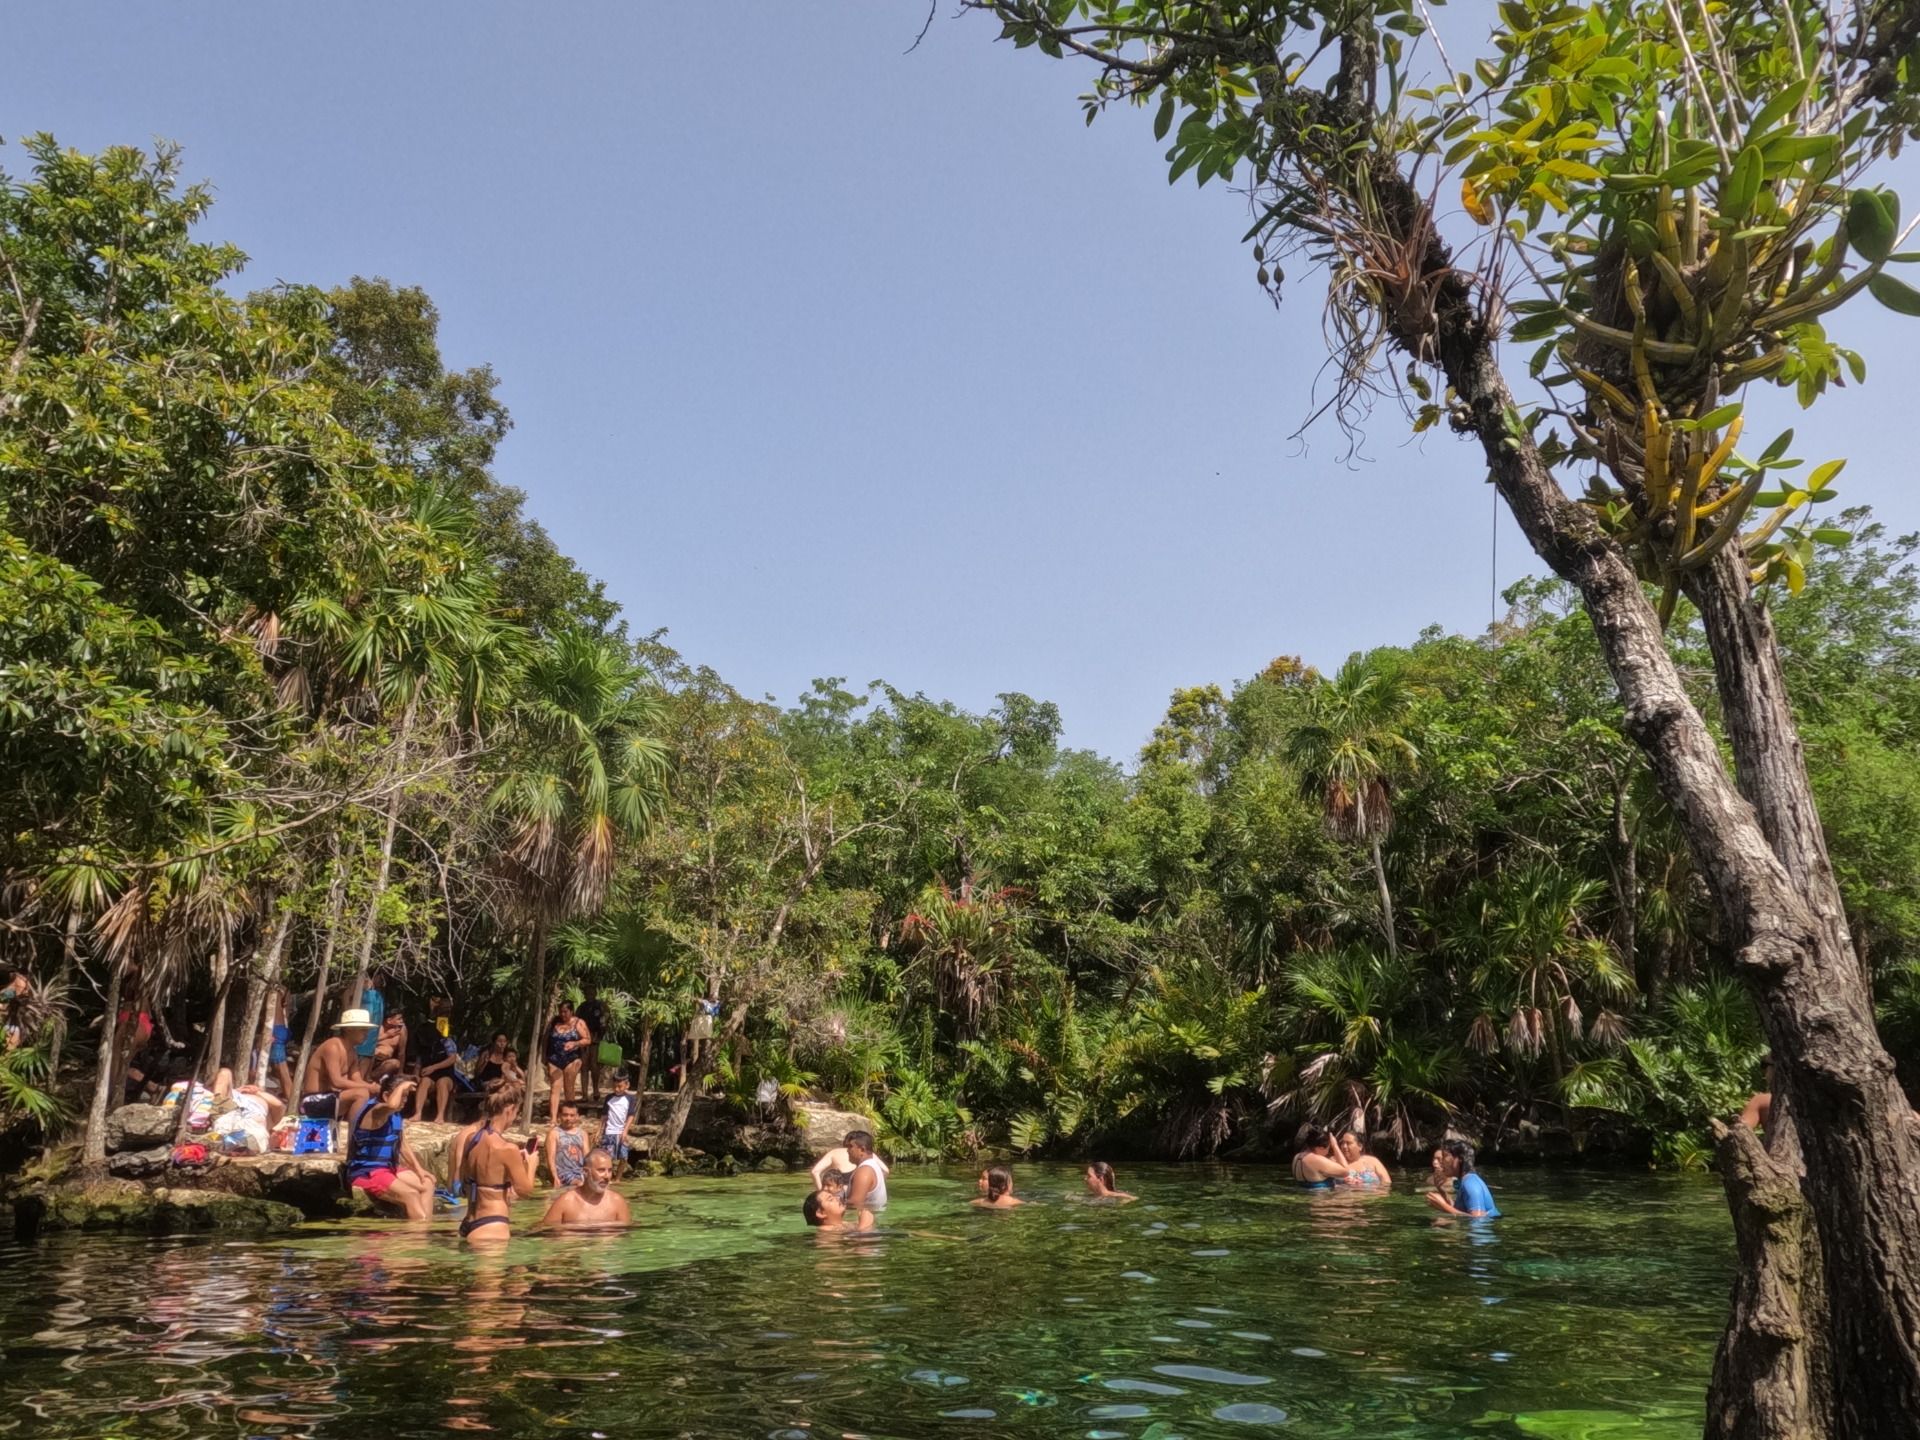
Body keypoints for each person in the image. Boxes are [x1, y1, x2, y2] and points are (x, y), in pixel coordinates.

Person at [452, 1081, 536, 1242]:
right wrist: (531, 1163)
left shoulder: (471, 1138)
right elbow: (526, 1192)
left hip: (469, 1220)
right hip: (492, 1225)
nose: (515, 1117)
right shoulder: (507, 1149)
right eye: (517, 1112)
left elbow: (466, 1179)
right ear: (510, 1110)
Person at [345, 1073, 434, 1220]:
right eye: (402, 1096)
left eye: (406, 1097)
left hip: (388, 1169)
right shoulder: (375, 1111)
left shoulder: (395, 1115)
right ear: (386, 1096)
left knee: (427, 1183)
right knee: (410, 1195)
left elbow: (402, 1144)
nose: (404, 1101)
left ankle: (424, 1225)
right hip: (367, 1171)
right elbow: (392, 1105)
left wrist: (419, 1170)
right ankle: (419, 1237)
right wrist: (403, 1085)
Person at [299, 1009, 378, 1120]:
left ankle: (358, 1127)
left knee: (368, 1093)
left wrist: (374, 1088)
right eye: (362, 1030)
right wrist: (368, 1087)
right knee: (361, 1093)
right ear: (349, 1029)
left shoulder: (353, 1052)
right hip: (313, 1100)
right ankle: (352, 1132)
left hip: (331, 1097)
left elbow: (357, 1080)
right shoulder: (333, 1047)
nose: (366, 1034)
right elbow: (336, 1081)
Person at [538, 1148, 631, 1229]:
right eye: (601, 1170)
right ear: (586, 1172)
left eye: (610, 1170)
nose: (607, 1176)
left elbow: (626, 1241)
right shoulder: (566, 1202)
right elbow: (545, 1234)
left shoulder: (617, 1202)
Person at [206, 1066, 285, 1153]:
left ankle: (227, 1141)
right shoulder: (234, 1093)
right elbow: (223, 1076)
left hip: (252, 1126)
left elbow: (279, 1105)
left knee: (249, 1141)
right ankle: (225, 1140)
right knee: (225, 1072)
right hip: (227, 1113)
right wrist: (236, 1090)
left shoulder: (266, 1109)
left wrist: (257, 1092)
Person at [1425, 1139, 1500, 1218]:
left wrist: (1443, 1206)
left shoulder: (1470, 1184)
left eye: (1445, 1156)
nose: (1442, 1162)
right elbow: (1460, 1209)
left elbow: (1479, 1219)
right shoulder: (1466, 1181)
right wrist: (1441, 1191)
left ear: (1459, 1159)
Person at [544, 1001, 590, 1122]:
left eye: (565, 1012)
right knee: (555, 1088)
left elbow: (587, 1039)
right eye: (561, 1012)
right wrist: (544, 1055)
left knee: (569, 1087)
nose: (563, 1014)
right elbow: (546, 1039)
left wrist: (575, 1043)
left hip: (572, 1058)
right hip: (554, 1057)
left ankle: (571, 1115)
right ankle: (553, 1118)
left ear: (571, 1011)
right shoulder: (555, 1022)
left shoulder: (579, 1023)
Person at [1291, 1125, 1356, 1189]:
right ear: (1321, 1148)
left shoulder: (1297, 1157)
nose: (1328, 1152)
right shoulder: (1317, 1160)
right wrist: (1335, 1145)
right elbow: (1346, 1172)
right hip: (1322, 1198)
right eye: (1328, 1148)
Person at [576, 985, 610, 1104]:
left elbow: (605, 1021)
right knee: (584, 1066)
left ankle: (596, 1091)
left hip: (596, 1039)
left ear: (595, 993)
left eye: (592, 992)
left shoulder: (601, 1006)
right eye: (587, 992)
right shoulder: (581, 1007)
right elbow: (577, 1023)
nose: (589, 994)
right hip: (583, 1039)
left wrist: (599, 1035)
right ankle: (584, 1094)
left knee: (595, 1066)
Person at [545, 1101, 590, 1190]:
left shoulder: (582, 1134)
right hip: (563, 1173)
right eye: (565, 1115)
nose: (568, 1118)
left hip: (580, 1171)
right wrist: (555, 1177)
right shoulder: (554, 1134)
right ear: (560, 1116)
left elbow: (587, 1157)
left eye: (572, 1115)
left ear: (577, 1116)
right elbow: (551, 1158)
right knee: (580, 1184)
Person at [601, 1071, 636, 1180]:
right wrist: (599, 1130)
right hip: (609, 1132)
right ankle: (608, 1178)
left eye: (620, 1086)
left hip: (621, 1132)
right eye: (615, 1086)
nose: (617, 1089)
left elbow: (631, 1115)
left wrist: (625, 1131)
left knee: (624, 1157)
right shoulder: (609, 1098)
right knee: (608, 1158)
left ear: (627, 1085)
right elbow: (604, 1116)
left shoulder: (630, 1099)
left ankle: (618, 1179)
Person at [843, 1130, 889, 1213]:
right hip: (873, 1221)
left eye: (850, 1146)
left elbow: (855, 1204)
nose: (847, 1151)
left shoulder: (864, 1171)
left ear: (862, 1149)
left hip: (865, 1224)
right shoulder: (873, 1165)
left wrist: (832, 1201)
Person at [354, 970, 388, 1080]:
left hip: (370, 1040)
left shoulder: (378, 995)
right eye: (380, 977)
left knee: (364, 1067)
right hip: (362, 1039)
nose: (382, 981)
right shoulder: (366, 994)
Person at [266, 990, 294, 1102]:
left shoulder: (271, 989)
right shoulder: (285, 990)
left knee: (282, 1069)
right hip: (283, 1029)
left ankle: (292, 1100)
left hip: (276, 1030)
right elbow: (286, 1008)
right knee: (278, 1069)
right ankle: (288, 1095)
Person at [802, 1187, 872, 1231]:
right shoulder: (825, 1232)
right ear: (821, 1213)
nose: (838, 1198)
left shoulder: (842, 1224)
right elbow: (861, 1248)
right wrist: (865, 1225)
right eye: (831, 1199)